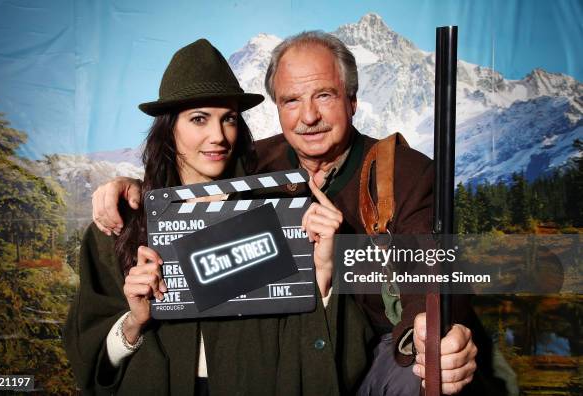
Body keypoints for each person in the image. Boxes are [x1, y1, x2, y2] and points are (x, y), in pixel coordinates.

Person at [90, 32, 484, 395]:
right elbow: (190, 178)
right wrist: (137, 191)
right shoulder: (253, 165)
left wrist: (428, 336)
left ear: (352, 100)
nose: (308, 116)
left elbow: (431, 266)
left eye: (324, 96)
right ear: (277, 108)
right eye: (292, 101)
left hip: (379, 343)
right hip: (293, 354)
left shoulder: (403, 171)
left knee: (421, 374)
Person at [64, 38, 373, 396]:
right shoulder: (118, 225)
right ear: (170, 128)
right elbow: (88, 358)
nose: (218, 136)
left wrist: (322, 274)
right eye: (199, 119)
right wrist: (134, 322)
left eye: (228, 119)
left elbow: (335, 356)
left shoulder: (280, 216)